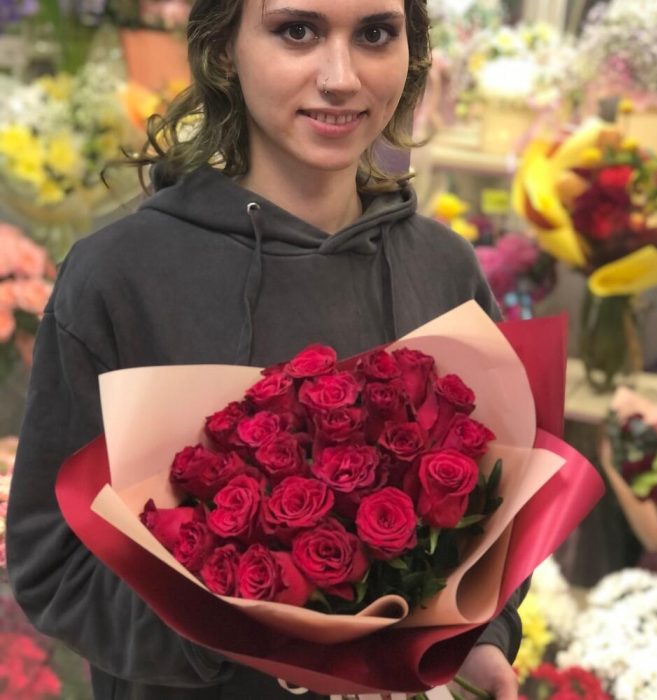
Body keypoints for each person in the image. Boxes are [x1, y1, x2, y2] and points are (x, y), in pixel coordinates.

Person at [6, 1, 525, 698]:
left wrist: (482, 638)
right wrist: (256, 641)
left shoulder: (444, 270)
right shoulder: (121, 277)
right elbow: (55, 564)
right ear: (224, 47)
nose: (341, 77)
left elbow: (500, 518)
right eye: (296, 31)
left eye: (375, 34)